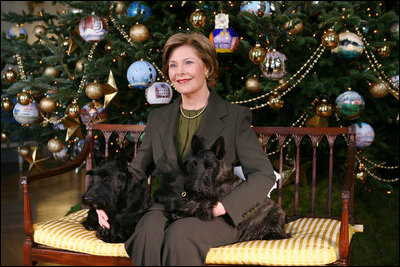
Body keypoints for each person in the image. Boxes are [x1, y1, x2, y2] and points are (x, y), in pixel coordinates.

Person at [96, 32, 277, 266]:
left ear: (208, 68)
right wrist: (106, 200)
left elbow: (263, 175)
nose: (179, 71)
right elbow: (137, 172)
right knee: (147, 233)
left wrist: (224, 207)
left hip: (212, 211)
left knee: (179, 235)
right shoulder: (158, 118)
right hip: (166, 206)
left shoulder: (234, 117)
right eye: (173, 65)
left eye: (188, 62)